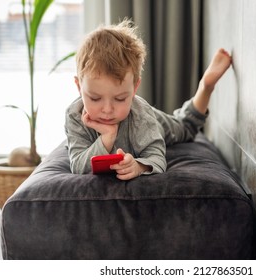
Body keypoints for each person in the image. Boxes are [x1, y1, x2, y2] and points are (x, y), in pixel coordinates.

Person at [65, 19, 232, 180]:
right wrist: (107, 137)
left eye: (120, 98)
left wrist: (139, 166)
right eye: (95, 98)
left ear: (134, 89)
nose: (107, 109)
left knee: (184, 126)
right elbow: (79, 167)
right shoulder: (75, 115)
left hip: (155, 123)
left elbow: (157, 157)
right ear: (79, 87)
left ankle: (205, 87)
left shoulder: (142, 116)